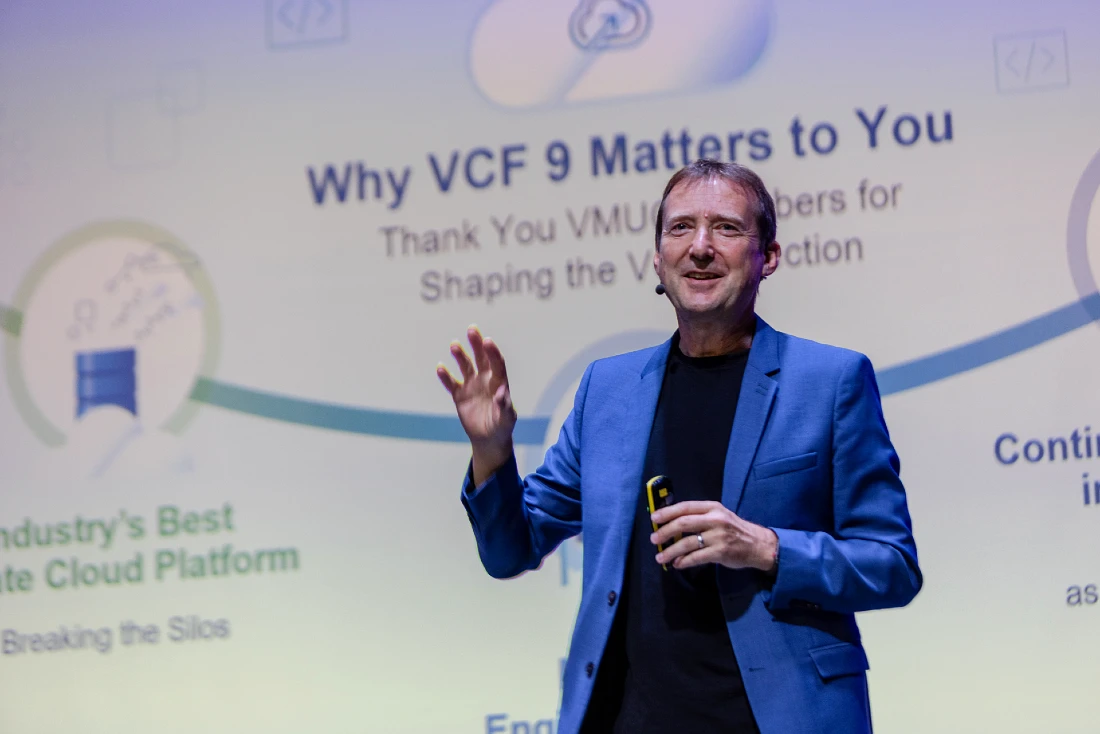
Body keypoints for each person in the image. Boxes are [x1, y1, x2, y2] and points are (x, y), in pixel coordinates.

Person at [437, 159, 922, 734]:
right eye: (680, 228)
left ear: (768, 257)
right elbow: (509, 552)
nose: (700, 247)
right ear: (657, 259)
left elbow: (891, 565)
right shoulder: (608, 390)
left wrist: (765, 547)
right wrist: (492, 450)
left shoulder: (830, 381)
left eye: (727, 228)